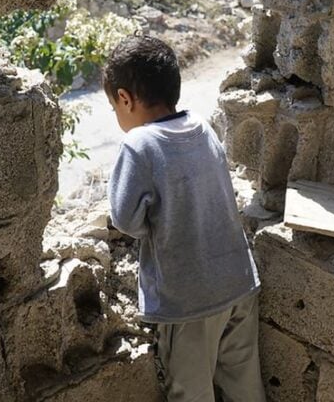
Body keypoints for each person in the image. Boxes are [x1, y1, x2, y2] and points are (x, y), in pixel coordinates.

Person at [103, 35, 265, 402]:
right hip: (238, 282)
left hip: (190, 299)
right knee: (245, 387)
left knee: (191, 393)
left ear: (125, 99)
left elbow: (126, 219)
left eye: (115, 106)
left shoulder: (139, 144)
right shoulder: (202, 126)